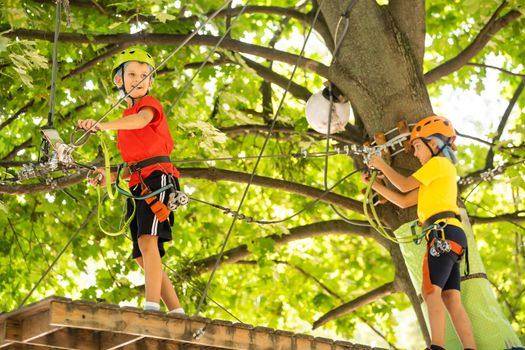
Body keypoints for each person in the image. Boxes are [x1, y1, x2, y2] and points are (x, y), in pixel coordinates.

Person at [77, 47, 184, 314]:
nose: (138, 79)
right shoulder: (125, 119)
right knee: (140, 254)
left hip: (160, 179)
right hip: (140, 183)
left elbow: (141, 121)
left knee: (149, 241)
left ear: (150, 82)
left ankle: (151, 307)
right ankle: (176, 311)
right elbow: (134, 166)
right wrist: (110, 177)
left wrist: (102, 125)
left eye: (144, 75)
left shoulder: (149, 107)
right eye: (132, 74)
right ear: (119, 80)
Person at [361, 116, 476, 350]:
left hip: (441, 233)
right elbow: (404, 201)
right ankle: (470, 348)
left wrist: (381, 164)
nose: (414, 154)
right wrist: (375, 185)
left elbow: (404, 185)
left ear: (433, 143)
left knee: (430, 291)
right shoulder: (437, 176)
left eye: (417, 146)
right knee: (450, 297)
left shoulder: (439, 164)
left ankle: (437, 347)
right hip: (451, 234)